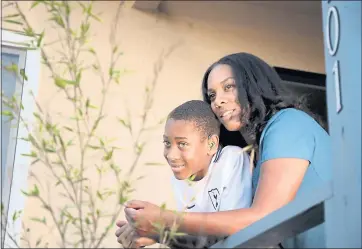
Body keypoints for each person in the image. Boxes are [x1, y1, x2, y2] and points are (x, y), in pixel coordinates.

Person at [116, 52, 331, 248]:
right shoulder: (251, 156)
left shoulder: (288, 124)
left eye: (229, 87)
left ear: (254, 85)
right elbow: (235, 232)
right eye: (211, 95)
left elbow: (263, 219)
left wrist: (165, 219)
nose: (217, 101)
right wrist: (162, 234)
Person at [116, 100, 253, 248]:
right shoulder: (182, 177)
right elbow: (198, 239)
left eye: (182, 144)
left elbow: (230, 233)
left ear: (211, 144)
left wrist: (161, 228)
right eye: (167, 143)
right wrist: (153, 234)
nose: (171, 155)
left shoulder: (231, 159)